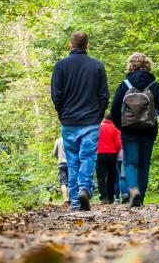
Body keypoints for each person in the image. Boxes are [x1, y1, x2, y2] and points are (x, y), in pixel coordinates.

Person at [51, 31, 109, 211]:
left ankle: (76, 201)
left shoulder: (60, 66)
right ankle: (85, 187)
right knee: (88, 157)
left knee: (73, 160)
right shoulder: (97, 66)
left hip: (69, 121)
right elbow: (104, 95)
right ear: (87, 45)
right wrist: (98, 115)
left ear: (71, 45)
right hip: (91, 121)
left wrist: (63, 113)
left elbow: (56, 95)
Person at [110, 52, 159, 207]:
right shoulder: (154, 86)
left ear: (131, 65)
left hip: (129, 130)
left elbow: (114, 109)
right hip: (149, 129)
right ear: (147, 65)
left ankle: (133, 190)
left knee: (130, 163)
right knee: (144, 164)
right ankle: (141, 198)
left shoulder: (124, 85)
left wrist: (121, 126)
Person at [96, 114, 121, 204]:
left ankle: (104, 196)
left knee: (101, 176)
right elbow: (118, 144)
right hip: (112, 154)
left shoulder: (98, 127)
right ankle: (111, 196)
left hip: (100, 154)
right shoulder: (115, 128)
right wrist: (116, 152)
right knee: (111, 176)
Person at [53, 137, 69, 205]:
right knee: (72, 181)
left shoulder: (58, 140)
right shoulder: (71, 139)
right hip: (71, 163)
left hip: (61, 163)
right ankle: (72, 198)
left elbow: (54, 152)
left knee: (63, 182)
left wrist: (58, 157)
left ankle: (65, 199)